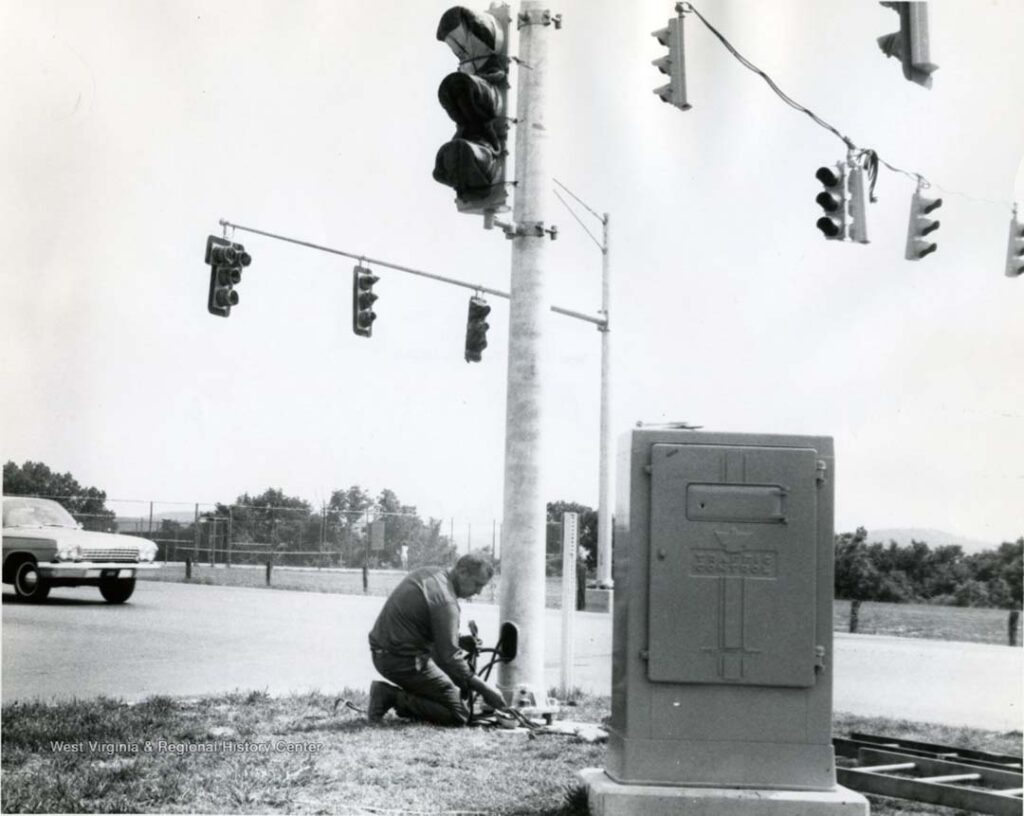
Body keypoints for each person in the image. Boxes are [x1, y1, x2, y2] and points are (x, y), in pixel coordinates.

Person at [366, 551, 506, 726]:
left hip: (388, 653)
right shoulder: (446, 601)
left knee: (453, 685)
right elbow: (451, 658)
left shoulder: (431, 574)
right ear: (462, 572)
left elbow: (421, 626)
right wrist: (486, 690)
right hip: (401, 660)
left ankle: (401, 695)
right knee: (459, 715)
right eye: (477, 584)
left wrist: (458, 641)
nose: (478, 592)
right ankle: (391, 697)